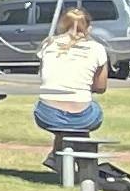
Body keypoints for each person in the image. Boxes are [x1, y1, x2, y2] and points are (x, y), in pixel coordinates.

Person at [31, 8, 108, 145]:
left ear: (62, 25)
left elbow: (44, 76)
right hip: (83, 115)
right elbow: (101, 87)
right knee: (90, 113)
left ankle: (59, 157)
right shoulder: (97, 49)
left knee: (64, 128)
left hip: (48, 113)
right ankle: (79, 159)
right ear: (88, 28)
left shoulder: (48, 44)